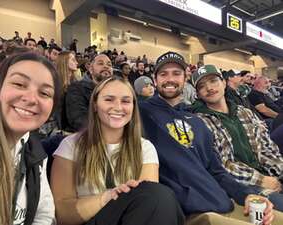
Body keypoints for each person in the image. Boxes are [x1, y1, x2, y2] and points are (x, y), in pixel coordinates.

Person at [139, 51, 279, 225]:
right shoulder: (141, 112)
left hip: (226, 203)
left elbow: (217, 171)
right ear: (154, 79)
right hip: (194, 213)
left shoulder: (197, 122)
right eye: (163, 74)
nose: (170, 79)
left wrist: (246, 195)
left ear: (185, 78)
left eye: (176, 73)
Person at [51, 76, 185, 225]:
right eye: (109, 99)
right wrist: (108, 197)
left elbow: (149, 205)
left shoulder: (145, 148)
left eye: (126, 101)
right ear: (95, 105)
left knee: (161, 197)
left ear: (134, 107)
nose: (118, 107)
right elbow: (62, 213)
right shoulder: (70, 145)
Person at [191, 64, 283, 210]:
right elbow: (223, 165)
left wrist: (279, 173)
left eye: (213, 81)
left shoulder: (244, 112)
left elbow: (266, 146)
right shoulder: (200, 122)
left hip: (268, 175)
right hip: (243, 186)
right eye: (202, 86)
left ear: (224, 82)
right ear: (198, 94)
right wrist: (262, 180)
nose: (209, 88)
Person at [0, 52, 61, 225]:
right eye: (19, 84)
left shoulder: (35, 151)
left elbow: (44, 215)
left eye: (45, 93)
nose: (31, 99)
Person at [64, 54, 113, 132]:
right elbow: (79, 119)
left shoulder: (116, 91)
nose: (106, 66)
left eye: (109, 64)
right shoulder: (77, 88)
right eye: (100, 63)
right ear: (90, 69)